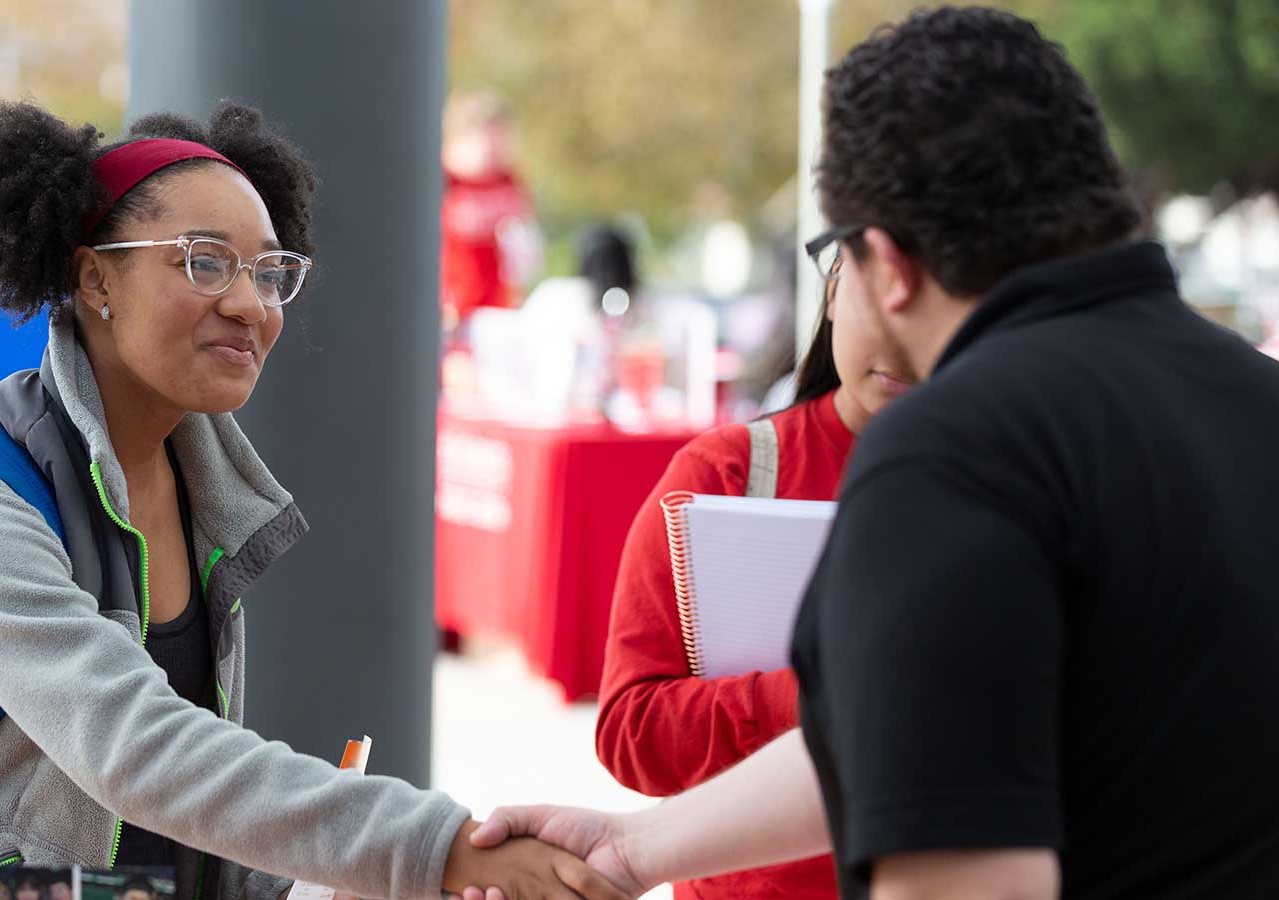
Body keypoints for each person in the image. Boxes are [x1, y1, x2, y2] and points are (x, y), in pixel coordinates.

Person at [468, 7, 1279, 899]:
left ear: (885, 265)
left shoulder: (959, 452)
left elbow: (964, 864)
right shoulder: (1253, 398)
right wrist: (639, 848)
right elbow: (925, 735)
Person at [0, 98, 623, 900]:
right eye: (204, 261)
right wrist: (433, 848)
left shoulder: (199, 483)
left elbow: (174, 805)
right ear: (94, 279)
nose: (250, 304)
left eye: (270, 271)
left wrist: (324, 879)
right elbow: (135, 748)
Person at [595, 243, 908, 899]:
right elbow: (631, 731)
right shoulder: (728, 476)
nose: (898, 338)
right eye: (875, 296)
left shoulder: (1016, 488)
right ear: (831, 290)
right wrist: (813, 697)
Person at [440, 90, 540, 336]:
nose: (496, 149)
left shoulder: (508, 180)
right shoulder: (444, 182)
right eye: (488, 138)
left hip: (497, 312)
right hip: (452, 312)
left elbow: (523, 246)